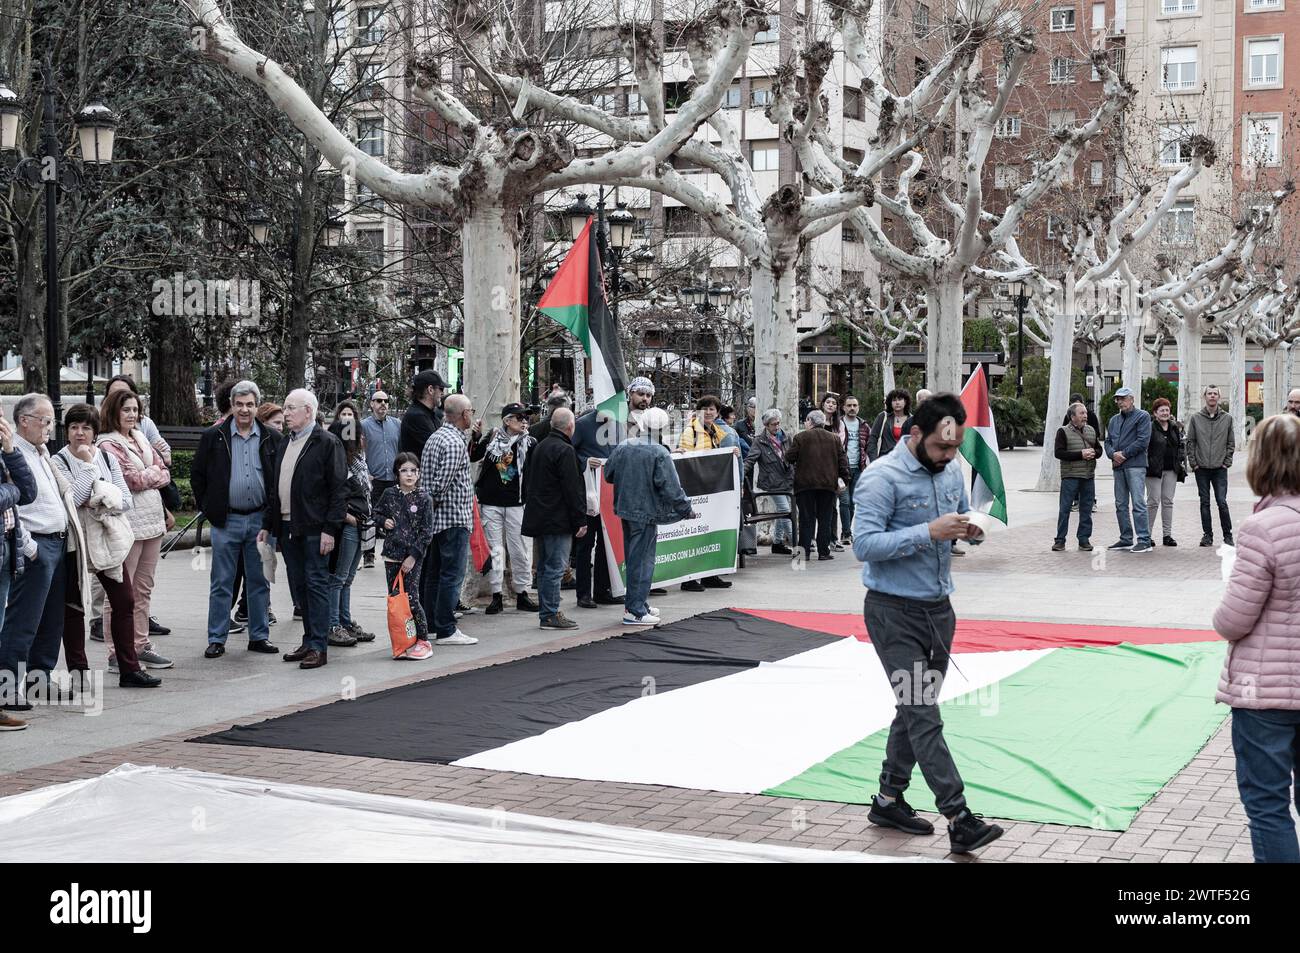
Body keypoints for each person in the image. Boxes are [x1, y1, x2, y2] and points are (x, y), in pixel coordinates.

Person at [852, 392, 1003, 854]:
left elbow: (959, 519)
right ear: (915, 433)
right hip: (892, 613)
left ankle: (888, 799)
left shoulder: (952, 469)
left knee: (914, 708)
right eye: (941, 447)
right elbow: (864, 545)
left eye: (955, 447)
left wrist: (972, 530)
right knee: (923, 712)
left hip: (939, 610)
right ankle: (959, 816)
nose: (949, 456)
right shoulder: (881, 477)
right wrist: (927, 532)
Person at [1211, 413, 1300, 863]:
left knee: (1268, 806)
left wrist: (1228, 588)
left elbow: (1234, 620)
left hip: (1267, 693)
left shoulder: (1262, 528)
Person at [52, 404, 160, 690]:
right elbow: (73, 500)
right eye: (74, 427)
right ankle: (78, 672)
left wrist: (100, 500)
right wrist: (89, 467)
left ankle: (129, 668)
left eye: (86, 427)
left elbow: (124, 500)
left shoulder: (108, 459)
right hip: (75, 541)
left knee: (124, 600)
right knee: (74, 606)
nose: (80, 433)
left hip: (106, 538)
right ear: (67, 431)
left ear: (95, 431)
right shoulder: (58, 461)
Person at [192, 380, 279, 659]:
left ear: (257, 406)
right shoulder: (214, 436)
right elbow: (198, 476)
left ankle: (259, 636)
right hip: (226, 521)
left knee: (260, 581)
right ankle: (217, 638)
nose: (244, 409)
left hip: (260, 521)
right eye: (239, 404)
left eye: (250, 404)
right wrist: (210, 508)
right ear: (231, 405)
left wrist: (270, 518)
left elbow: (278, 480)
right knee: (222, 582)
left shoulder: (271, 437)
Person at [267, 389, 348, 669]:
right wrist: (269, 525)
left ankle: (318, 647)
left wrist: (330, 529)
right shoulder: (285, 442)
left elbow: (339, 490)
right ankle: (308, 639)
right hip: (288, 525)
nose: (286, 413)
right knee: (300, 586)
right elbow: (275, 487)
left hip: (315, 528)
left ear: (309, 411)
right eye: (285, 408)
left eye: (291, 408)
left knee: (316, 585)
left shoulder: (327, 442)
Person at [97, 388, 174, 672]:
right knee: (120, 592)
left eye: (135, 410)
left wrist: (150, 474)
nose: (132, 415)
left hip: (152, 521)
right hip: (127, 523)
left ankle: (140, 645)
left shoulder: (140, 437)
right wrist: (153, 473)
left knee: (143, 589)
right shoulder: (107, 444)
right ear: (113, 412)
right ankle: (116, 652)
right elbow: (131, 479)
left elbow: (165, 471)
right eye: (126, 409)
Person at [606, 407, 697, 625]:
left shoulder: (624, 446)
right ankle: (635, 610)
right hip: (646, 512)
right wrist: (686, 509)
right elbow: (671, 488)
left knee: (634, 559)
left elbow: (609, 474)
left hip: (626, 509)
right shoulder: (659, 452)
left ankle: (637, 604)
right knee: (642, 561)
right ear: (663, 428)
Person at [569, 379, 654, 608]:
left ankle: (603, 590)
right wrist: (585, 461)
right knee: (586, 545)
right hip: (589, 495)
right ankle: (583, 594)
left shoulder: (620, 425)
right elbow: (567, 453)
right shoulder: (583, 424)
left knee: (606, 545)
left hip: (611, 495)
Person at [419, 393, 479, 645]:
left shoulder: (436, 437)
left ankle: (433, 624)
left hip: (438, 520)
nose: (472, 415)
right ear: (464, 414)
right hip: (452, 518)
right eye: (471, 411)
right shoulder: (453, 442)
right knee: (451, 575)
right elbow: (440, 484)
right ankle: (445, 628)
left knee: (435, 574)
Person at [521, 407, 587, 630]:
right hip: (557, 518)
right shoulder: (564, 450)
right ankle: (550, 613)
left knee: (545, 567)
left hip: (541, 515)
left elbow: (528, 481)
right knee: (555, 568)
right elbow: (572, 488)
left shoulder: (540, 446)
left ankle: (547, 612)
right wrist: (580, 519)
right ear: (571, 426)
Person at [470, 402, 539, 615]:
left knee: (519, 549)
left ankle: (522, 592)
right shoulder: (492, 437)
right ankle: (496, 594)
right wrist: (475, 437)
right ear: (507, 421)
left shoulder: (530, 443)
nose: (524, 421)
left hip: (517, 502)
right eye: (519, 417)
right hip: (491, 503)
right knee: (496, 549)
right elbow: (473, 455)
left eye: (526, 418)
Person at [373, 452, 435, 659]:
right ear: (397, 473)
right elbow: (376, 512)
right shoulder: (389, 494)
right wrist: (383, 521)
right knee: (396, 600)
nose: (409, 474)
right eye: (404, 470)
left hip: (412, 558)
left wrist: (413, 556)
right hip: (392, 555)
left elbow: (427, 532)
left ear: (419, 473)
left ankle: (423, 641)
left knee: (411, 598)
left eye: (413, 470)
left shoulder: (424, 498)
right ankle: (403, 640)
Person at [326, 401, 376, 647]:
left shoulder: (359, 459)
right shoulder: (339, 461)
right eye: (349, 432)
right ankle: (333, 624)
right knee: (339, 577)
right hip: (349, 523)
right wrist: (348, 517)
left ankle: (344, 622)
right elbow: (333, 493)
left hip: (362, 521)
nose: (355, 437)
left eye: (355, 431)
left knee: (347, 578)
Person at [787, 409, 849, 562]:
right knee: (825, 519)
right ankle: (823, 552)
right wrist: (844, 480)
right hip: (827, 485)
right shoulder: (835, 439)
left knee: (806, 519)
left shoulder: (800, 437)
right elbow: (843, 461)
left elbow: (789, 457)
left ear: (810, 421)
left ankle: (804, 553)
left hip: (805, 485)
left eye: (806, 420)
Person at [1104, 386, 1154, 554]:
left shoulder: (1142, 416)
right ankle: (1126, 539)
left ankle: (1144, 540)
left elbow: (1143, 441)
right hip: (1118, 466)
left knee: (1138, 503)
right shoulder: (1114, 420)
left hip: (1135, 466)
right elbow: (1107, 441)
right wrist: (1112, 454)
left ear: (1132, 399)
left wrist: (1123, 455)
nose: (1120, 402)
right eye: (1117, 399)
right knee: (1120, 504)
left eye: (1123, 399)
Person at [1185, 384, 1235, 548]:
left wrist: (1226, 462)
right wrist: (1194, 464)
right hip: (1202, 469)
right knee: (1204, 502)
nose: (1212, 396)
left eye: (1215, 394)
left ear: (1219, 397)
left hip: (1220, 468)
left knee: (1222, 502)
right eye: (1209, 393)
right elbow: (1190, 442)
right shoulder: (1196, 418)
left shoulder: (1227, 418)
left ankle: (1228, 536)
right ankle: (1207, 535)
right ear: (1204, 396)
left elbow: (1231, 443)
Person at [1052, 402, 1102, 552]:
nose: (1085, 416)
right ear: (1072, 416)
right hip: (1070, 476)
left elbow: (1099, 449)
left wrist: (1094, 453)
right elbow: (1059, 453)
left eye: (1085, 413)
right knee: (1065, 509)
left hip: (1088, 476)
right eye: (1082, 413)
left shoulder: (1091, 430)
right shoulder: (1063, 431)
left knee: (1086, 509)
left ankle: (1084, 540)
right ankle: (1060, 540)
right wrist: (1081, 454)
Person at [745, 409, 794, 555]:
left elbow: (793, 456)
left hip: (787, 479)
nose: (777, 427)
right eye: (773, 424)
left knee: (781, 512)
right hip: (772, 482)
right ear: (766, 425)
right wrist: (740, 475)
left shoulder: (786, 437)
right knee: (785, 510)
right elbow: (750, 460)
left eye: (778, 423)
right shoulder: (760, 441)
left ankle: (777, 543)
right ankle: (796, 541)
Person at [361, 390, 401, 569]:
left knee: (395, 516)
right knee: (370, 517)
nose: (383, 404)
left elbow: (401, 449)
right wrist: (365, 473)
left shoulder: (397, 424)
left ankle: (393, 552)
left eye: (386, 400)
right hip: (373, 479)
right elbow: (358, 451)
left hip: (393, 479)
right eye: (378, 400)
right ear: (371, 404)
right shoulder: (363, 426)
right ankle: (368, 554)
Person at [1145, 397, 1185, 547]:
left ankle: (1167, 535)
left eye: (1167, 410)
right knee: (1153, 502)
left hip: (1171, 469)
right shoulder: (1150, 427)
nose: (1165, 413)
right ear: (1155, 413)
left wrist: (1180, 459)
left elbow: (1180, 445)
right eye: (1161, 410)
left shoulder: (1174, 427)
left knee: (1168, 501)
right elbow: (1145, 447)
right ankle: (1146, 535)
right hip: (1154, 470)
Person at [836, 395, 868, 545]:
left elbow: (868, 446)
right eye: (849, 405)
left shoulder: (864, 426)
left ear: (858, 407)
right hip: (842, 469)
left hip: (858, 468)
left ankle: (846, 531)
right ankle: (846, 533)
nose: (852, 408)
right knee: (844, 501)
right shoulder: (838, 424)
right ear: (844, 408)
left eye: (855, 405)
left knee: (852, 502)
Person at [399, 370, 446, 456]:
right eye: (441, 389)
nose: (442, 393)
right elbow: (437, 448)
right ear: (430, 390)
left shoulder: (430, 414)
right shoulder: (416, 416)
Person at [867, 389, 912, 464]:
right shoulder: (883, 417)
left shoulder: (911, 420)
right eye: (894, 400)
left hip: (904, 462)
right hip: (885, 461)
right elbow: (872, 440)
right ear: (890, 403)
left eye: (900, 399)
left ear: (905, 401)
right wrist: (874, 461)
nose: (897, 402)